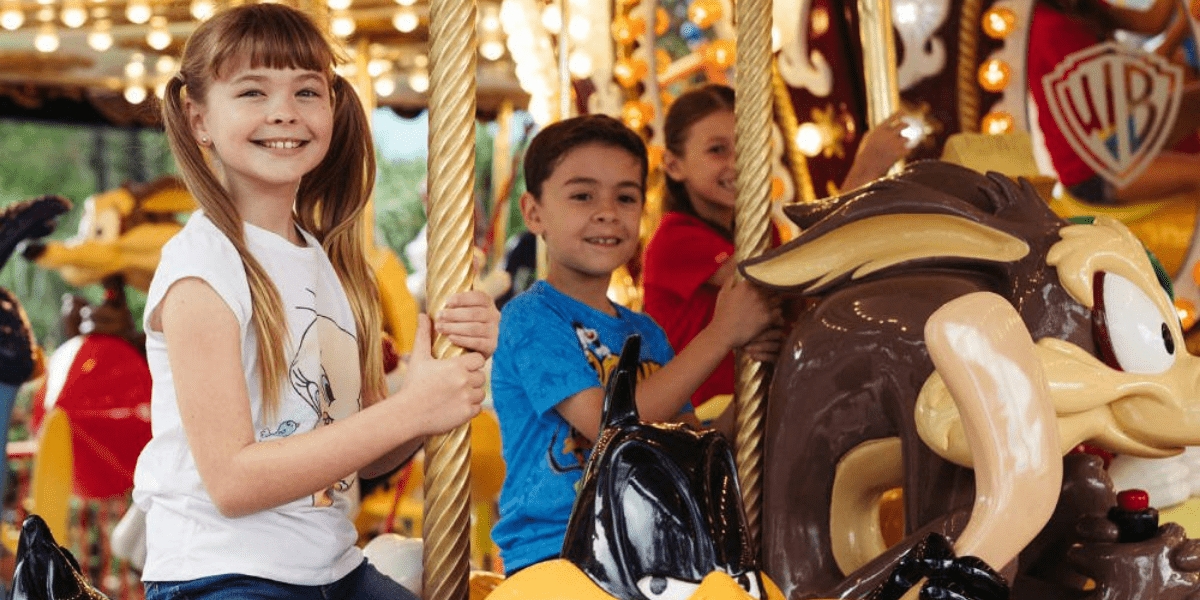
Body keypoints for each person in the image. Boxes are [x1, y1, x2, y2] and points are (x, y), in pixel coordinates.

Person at [131, 5, 499, 599]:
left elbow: (364, 454)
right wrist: (410, 411)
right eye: (252, 91)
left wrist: (434, 383)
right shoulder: (203, 267)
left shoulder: (323, 260)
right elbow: (232, 481)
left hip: (332, 568)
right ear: (199, 119)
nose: (284, 112)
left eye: (308, 91)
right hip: (224, 573)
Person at [489, 113, 780, 575]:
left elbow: (688, 446)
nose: (607, 211)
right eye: (583, 195)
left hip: (649, 544)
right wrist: (721, 334)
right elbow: (609, 425)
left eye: (625, 197)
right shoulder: (531, 318)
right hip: (558, 549)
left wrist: (753, 381)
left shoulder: (645, 333)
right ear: (533, 212)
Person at [642, 83, 911, 413]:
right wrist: (864, 171)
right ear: (673, 165)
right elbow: (779, 280)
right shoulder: (675, 238)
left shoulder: (760, 229)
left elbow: (798, 299)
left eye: (746, 146)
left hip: (758, 399)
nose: (737, 162)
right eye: (717, 150)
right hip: (703, 413)